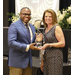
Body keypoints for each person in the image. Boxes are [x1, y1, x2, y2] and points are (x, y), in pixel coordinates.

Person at [8, 7, 41, 75]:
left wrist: (38, 40)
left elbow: (30, 42)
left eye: (29, 14)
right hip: (16, 63)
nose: (27, 16)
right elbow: (11, 42)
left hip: (28, 63)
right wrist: (28, 47)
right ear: (20, 14)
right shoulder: (14, 26)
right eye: (24, 14)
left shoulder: (32, 27)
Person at [40, 9, 65, 75]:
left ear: (53, 17)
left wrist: (49, 44)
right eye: (46, 16)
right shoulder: (45, 29)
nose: (47, 18)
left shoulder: (56, 28)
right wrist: (42, 61)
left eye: (50, 16)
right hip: (46, 57)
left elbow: (62, 43)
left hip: (55, 57)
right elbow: (44, 46)